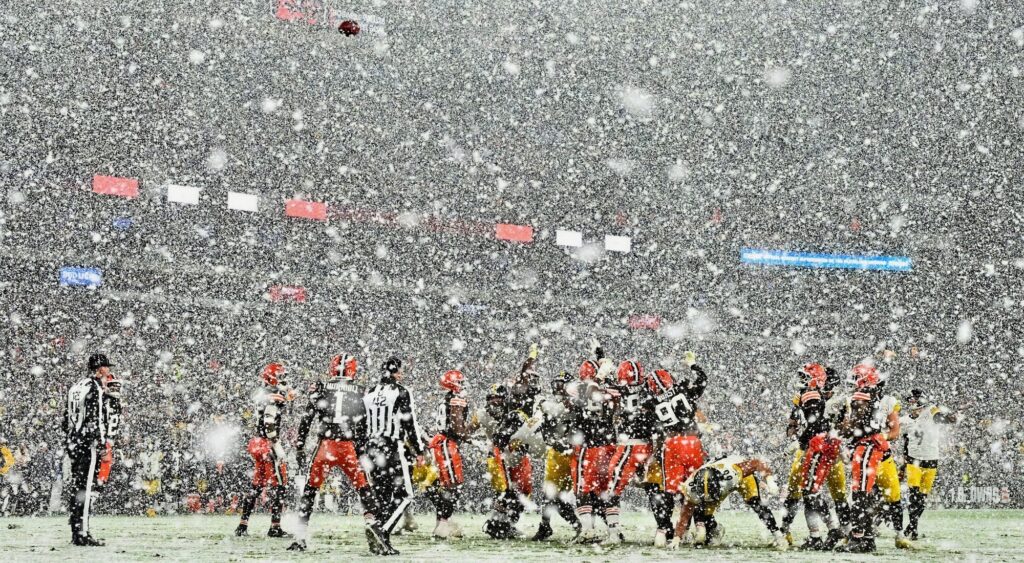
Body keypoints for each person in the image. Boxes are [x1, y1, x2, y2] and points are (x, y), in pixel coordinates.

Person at [289, 354, 392, 554]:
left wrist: (300, 445)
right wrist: (361, 449)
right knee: (364, 488)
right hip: (348, 445)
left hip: (326, 445)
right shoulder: (361, 391)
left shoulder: (322, 388)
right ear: (353, 369)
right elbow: (364, 424)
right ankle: (371, 521)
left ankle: (300, 536)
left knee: (310, 490)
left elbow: (307, 418)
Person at [840, 361, 908, 553]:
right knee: (865, 494)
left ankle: (860, 537)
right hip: (872, 446)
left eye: (856, 380)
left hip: (869, 448)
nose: (853, 384)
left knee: (862, 494)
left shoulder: (864, 396)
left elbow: (855, 425)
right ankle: (867, 538)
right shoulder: (874, 397)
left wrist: (842, 430)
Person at [363, 356, 427, 551]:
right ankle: (382, 531)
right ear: (395, 372)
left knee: (382, 495)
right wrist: (419, 451)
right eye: (400, 371)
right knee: (405, 495)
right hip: (391, 446)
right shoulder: (401, 391)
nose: (402, 374)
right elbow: (410, 423)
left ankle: (382, 542)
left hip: (371, 447)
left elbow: (361, 422)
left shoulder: (369, 391)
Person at [647, 351, 707, 543]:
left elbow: (653, 428)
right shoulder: (682, 388)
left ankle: (663, 531)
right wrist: (693, 364)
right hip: (693, 441)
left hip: (672, 443)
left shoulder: (651, 402)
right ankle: (700, 528)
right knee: (695, 487)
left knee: (668, 490)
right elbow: (702, 380)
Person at [670, 456, 787, 551]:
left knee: (756, 503)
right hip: (717, 482)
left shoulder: (732, 473)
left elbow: (758, 463)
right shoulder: (690, 487)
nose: (710, 501)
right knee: (702, 512)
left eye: (712, 497)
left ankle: (778, 536)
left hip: (742, 479)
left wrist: (770, 480)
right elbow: (685, 516)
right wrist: (676, 538)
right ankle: (716, 530)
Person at [789, 364, 846, 550]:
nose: (801, 380)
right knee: (809, 493)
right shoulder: (814, 394)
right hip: (824, 444)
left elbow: (814, 424)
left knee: (810, 492)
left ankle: (833, 528)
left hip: (818, 445)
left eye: (805, 376)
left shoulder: (810, 394)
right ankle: (816, 535)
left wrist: (799, 442)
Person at [235, 362, 295, 539]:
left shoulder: (261, 392)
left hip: (256, 441)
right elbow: (269, 419)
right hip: (267, 442)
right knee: (281, 485)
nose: (284, 379)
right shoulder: (272, 396)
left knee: (257, 484)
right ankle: (275, 527)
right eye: (281, 376)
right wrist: (275, 442)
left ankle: (242, 525)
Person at [604, 359, 659, 545]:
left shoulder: (619, 389)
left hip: (629, 445)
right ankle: (666, 529)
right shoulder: (649, 387)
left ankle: (613, 532)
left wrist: (602, 367)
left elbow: (600, 389)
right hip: (650, 446)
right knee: (655, 489)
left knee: (612, 490)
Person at [570, 341, 619, 544]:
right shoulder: (613, 389)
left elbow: (586, 395)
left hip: (588, 446)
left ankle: (588, 530)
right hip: (610, 444)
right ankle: (614, 532)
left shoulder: (581, 390)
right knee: (609, 490)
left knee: (583, 490)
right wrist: (601, 354)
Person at [62, 353, 111, 546]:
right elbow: (96, 417)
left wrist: (70, 438)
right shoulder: (94, 387)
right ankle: (82, 531)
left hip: (74, 442)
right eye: (106, 367)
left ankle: (75, 528)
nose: (108, 371)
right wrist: (100, 443)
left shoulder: (76, 386)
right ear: (100, 369)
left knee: (77, 487)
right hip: (86, 444)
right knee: (86, 488)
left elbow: (66, 417)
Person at [900, 389, 958, 541]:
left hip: (931, 458)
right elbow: (905, 441)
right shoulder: (905, 420)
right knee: (914, 495)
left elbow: (940, 418)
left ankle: (912, 526)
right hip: (914, 459)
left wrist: (950, 418)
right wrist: (904, 461)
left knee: (922, 497)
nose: (912, 403)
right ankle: (913, 527)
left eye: (914, 400)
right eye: (911, 400)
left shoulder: (930, 410)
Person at [531, 371, 582, 542]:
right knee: (551, 496)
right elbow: (540, 427)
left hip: (577, 454)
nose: (558, 388)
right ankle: (547, 526)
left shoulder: (580, 403)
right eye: (556, 384)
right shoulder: (547, 404)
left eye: (562, 384)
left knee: (587, 494)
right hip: (557, 454)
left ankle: (597, 526)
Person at [426, 368, 477, 539]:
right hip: (447, 444)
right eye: (460, 382)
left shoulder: (446, 398)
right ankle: (443, 523)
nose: (462, 385)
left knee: (443, 485)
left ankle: (442, 521)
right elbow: (457, 428)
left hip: (440, 441)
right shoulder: (457, 398)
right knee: (451, 486)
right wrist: (471, 438)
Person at [96, 374, 123, 491]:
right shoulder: (114, 402)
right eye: (113, 386)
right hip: (107, 440)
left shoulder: (108, 401)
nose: (115, 389)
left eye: (117, 386)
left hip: (106, 439)